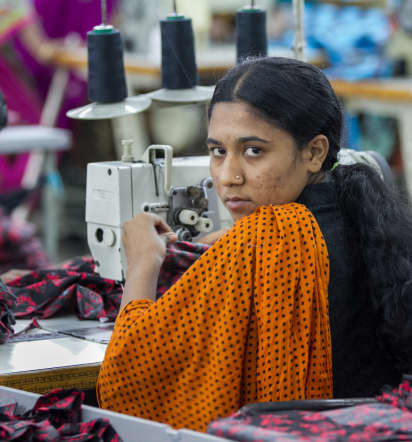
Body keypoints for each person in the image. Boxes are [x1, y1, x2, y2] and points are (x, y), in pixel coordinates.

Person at [97, 57, 412, 432]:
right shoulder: (363, 216)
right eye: (217, 151)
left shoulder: (263, 241)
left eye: (253, 151)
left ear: (313, 152)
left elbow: (127, 378)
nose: (227, 177)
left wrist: (142, 263)